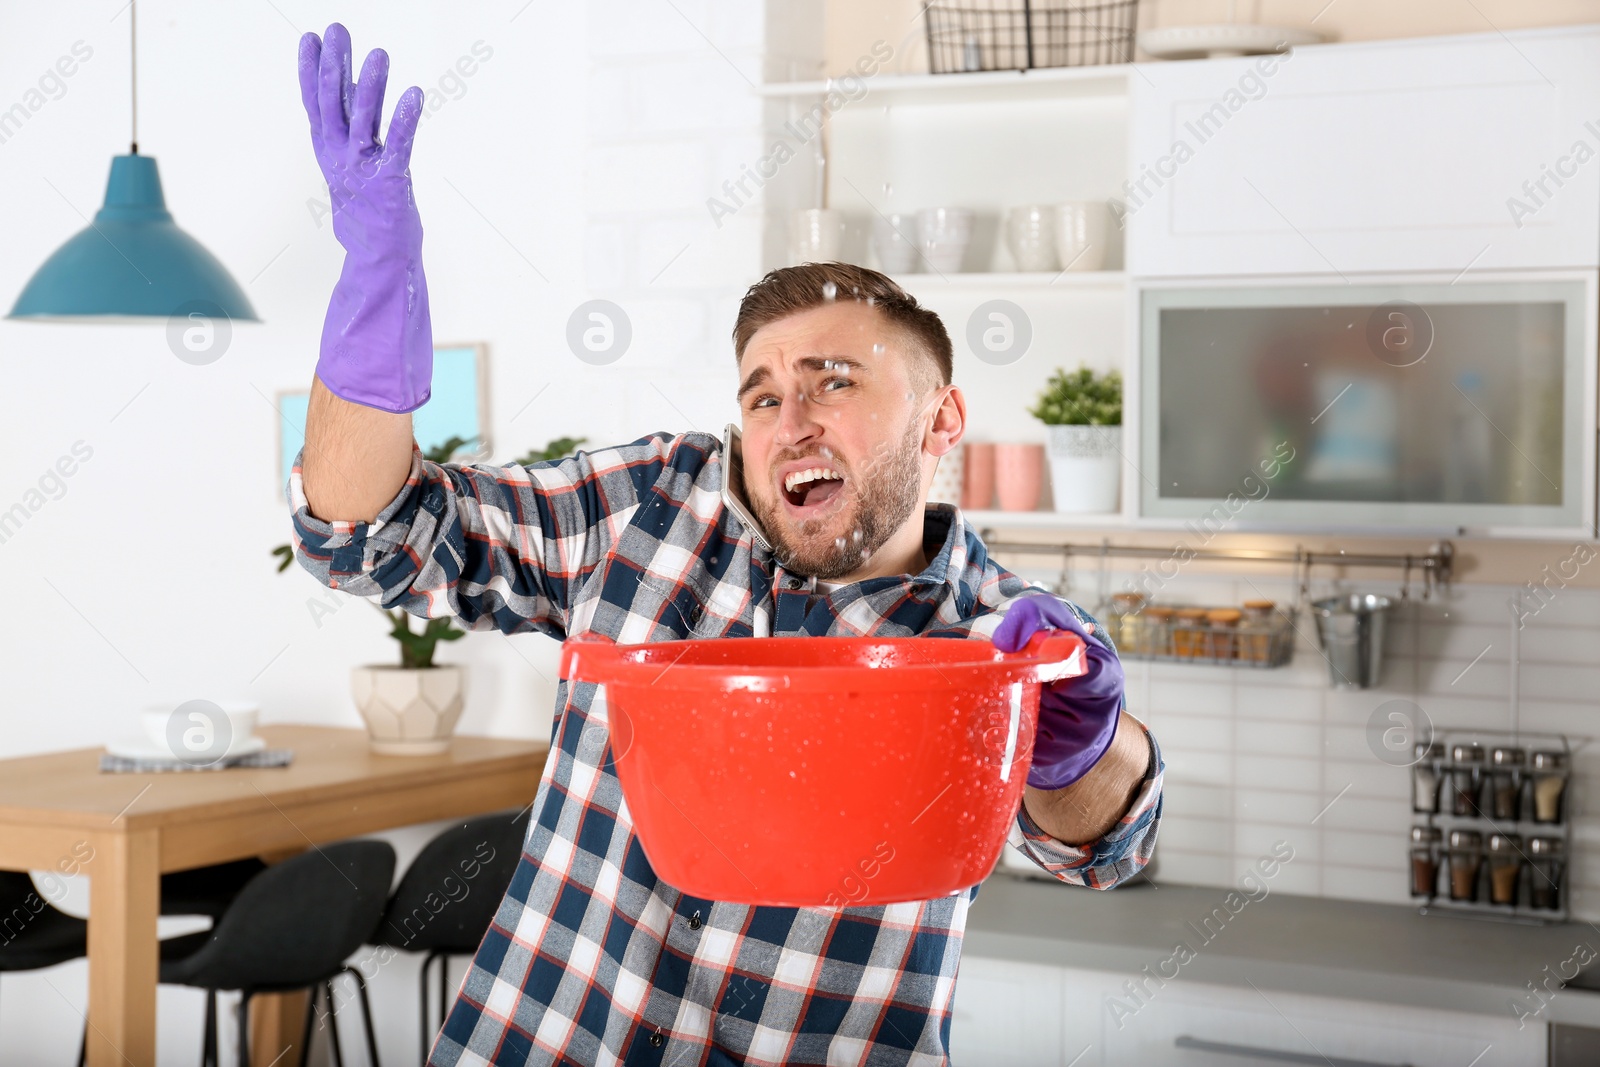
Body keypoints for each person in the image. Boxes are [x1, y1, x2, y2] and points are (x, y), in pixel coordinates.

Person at [289, 24, 1163, 1067]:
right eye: (762, 392)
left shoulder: (995, 635)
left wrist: (1080, 744)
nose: (789, 415)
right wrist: (372, 286)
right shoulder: (645, 507)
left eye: (835, 380)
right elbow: (367, 540)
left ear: (940, 418)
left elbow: (1106, 844)